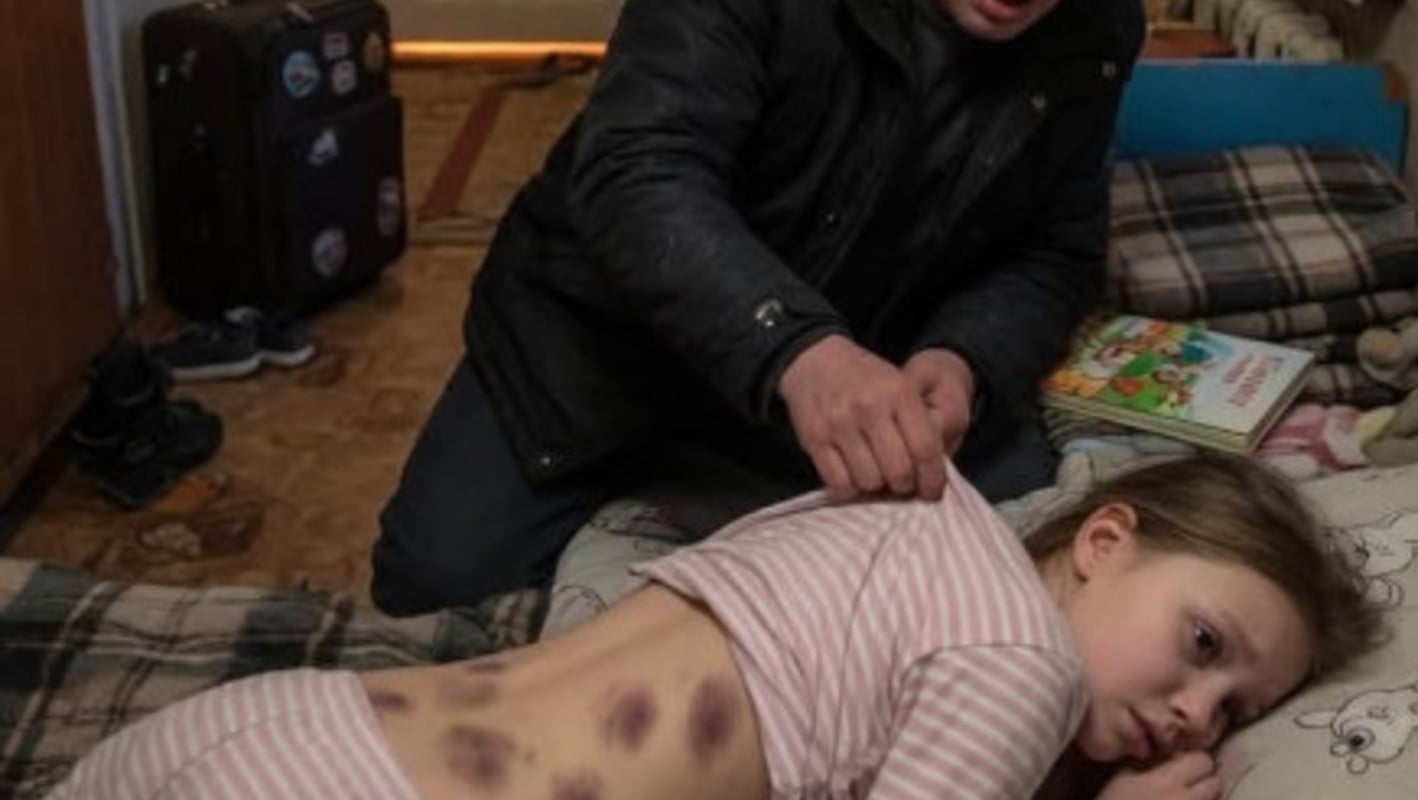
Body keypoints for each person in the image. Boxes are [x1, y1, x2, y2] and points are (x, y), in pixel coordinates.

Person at [369, 0, 1149, 615]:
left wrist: (965, 358)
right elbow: (641, 174)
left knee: (1024, 560)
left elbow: (1056, 253)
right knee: (438, 583)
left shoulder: (1099, 25)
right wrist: (796, 351)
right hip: (600, 348)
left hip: (860, 356)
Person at [50, 454, 1382, 800]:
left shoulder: (921, 505)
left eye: (1231, 711)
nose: (1194, 717)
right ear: (1103, 539)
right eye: (1203, 646)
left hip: (280, 725)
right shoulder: (1020, 665)